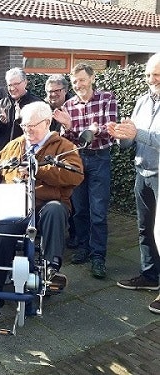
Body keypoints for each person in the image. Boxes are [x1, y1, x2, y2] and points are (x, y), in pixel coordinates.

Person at [0, 101, 84, 317]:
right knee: (2, 234)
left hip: (43, 205)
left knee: (55, 210)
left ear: (48, 122)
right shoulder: (17, 144)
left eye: (32, 126)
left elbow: (75, 175)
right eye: (24, 126)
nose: (27, 131)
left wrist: (38, 170)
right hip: (16, 206)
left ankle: (51, 268)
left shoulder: (64, 147)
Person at [54, 63, 118, 279]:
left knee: (98, 212)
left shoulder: (106, 98)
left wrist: (89, 129)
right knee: (79, 209)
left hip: (100, 158)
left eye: (82, 79)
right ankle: (84, 247)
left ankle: (98, 256)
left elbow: (109, 132)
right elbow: (69, 139)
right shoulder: (69, 104)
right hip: (78, 160)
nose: (78, 84)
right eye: (74, 82)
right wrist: (68, 127)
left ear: (91, 78)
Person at [107, 52, 160, 314]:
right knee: (145, 229)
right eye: (149, 74)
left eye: (157, 75)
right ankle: (150, 276)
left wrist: (138, 132)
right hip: (142, 172)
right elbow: (132, 139)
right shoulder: (141, 101)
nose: (152, 79)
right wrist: (121, 136)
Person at [44, 74, 76, 248]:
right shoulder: (44, 109)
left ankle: (76, 237)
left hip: (70, 160)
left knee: (73, 201)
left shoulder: (72, 108)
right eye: (49, 92)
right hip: (50, 161)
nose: (53, 94)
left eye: (56, 91)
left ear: (65, 90)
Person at [0, 67, 42, 158]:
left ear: (25, 82)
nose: (12, 88)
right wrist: (0, 123)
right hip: (4, 156)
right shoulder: (0, 104)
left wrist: (21, 121)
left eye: (16, 84)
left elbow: (42, 131)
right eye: (9, 85)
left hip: (26, 157)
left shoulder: (36, 104)